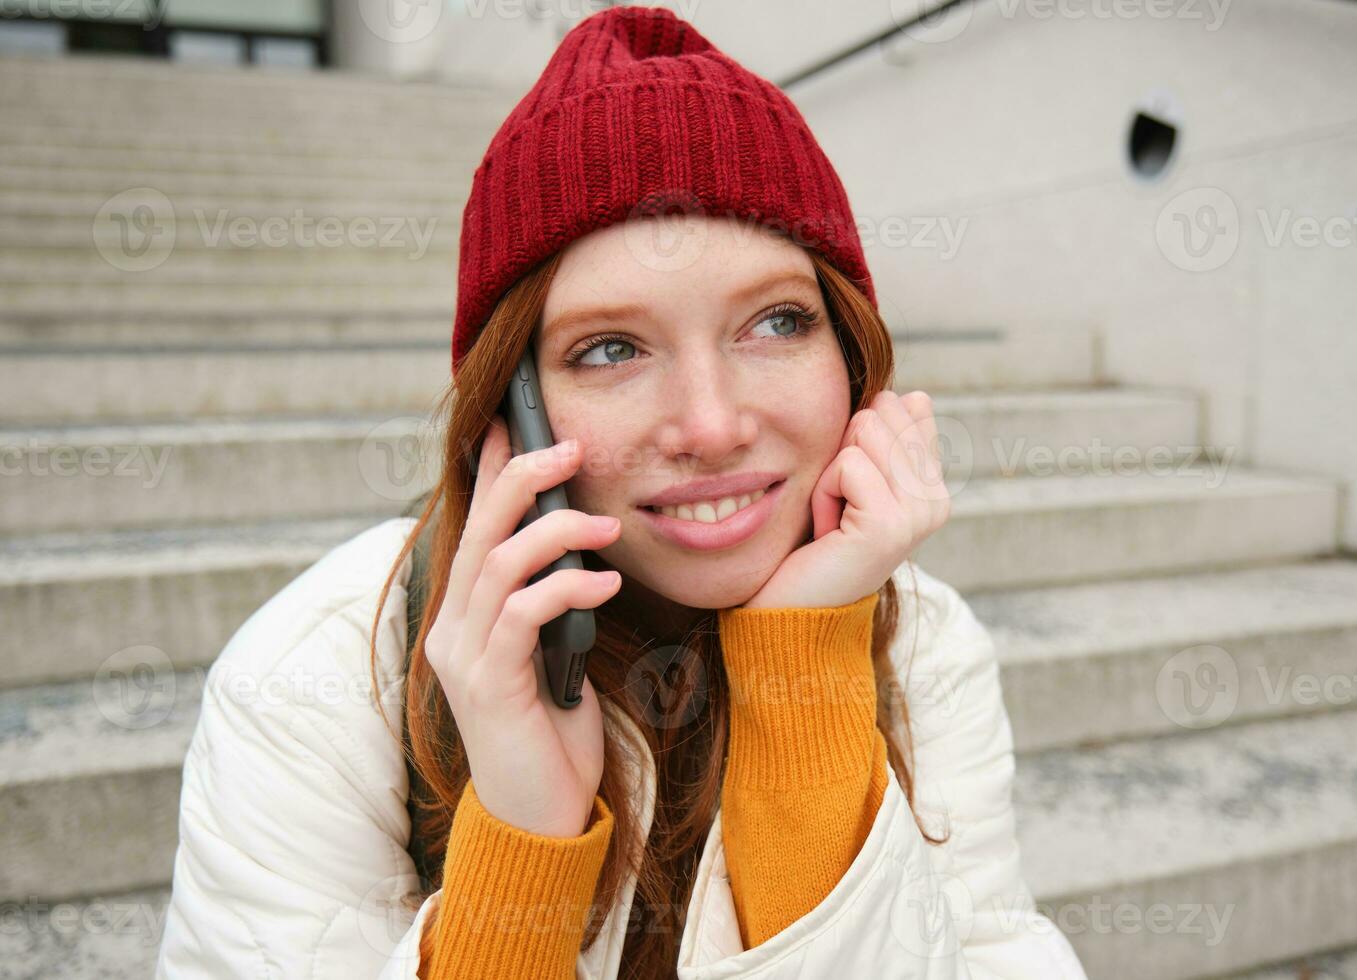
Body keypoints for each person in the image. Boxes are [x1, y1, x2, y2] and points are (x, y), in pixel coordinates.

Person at [153, 6, 1088, 979]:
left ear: (851, 353)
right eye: (610, 348)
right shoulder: (310, 679)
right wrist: (522, 836)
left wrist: (804, 667)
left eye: (775, 322)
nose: (713, 423)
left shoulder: (926, 644)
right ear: (508, 414)